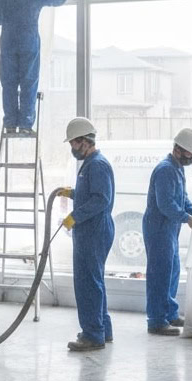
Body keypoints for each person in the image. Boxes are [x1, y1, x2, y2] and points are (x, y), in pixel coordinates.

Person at [0, 0, 70, 134]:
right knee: (28, 83)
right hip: (28, 44)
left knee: (9, 84)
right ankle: (26, 125)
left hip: (8, 45)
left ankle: (11, 124)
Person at [58, 116, 115, 352]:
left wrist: (75, 216)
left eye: (74, 142)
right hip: (90, 231)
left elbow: (101, 199)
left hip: (94, 231)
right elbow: (91, 194)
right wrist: (72, 193)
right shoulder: (90, 165)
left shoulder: (97, 164)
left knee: (88, 284)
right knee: (94, 281)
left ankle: (93, 335)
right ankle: (103, 329)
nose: (72, 147)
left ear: (85, 141)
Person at [142, 128, 192, 336]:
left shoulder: (177, 168)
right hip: (158, 229)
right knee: (160, 273)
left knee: (172, 271)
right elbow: (166, 204)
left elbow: (182, 197)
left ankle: (170, 313)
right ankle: (157, 321)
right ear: (178, 149)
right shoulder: (165, 170)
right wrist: (187, 219)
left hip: (169, 229)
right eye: (190, 154)